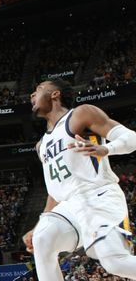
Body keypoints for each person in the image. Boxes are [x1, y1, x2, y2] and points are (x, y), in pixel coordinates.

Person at [22, 79, 136, 280]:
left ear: (55, 94)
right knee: (43, 237)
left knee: (114, 262)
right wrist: (39, 224)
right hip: (70, 206)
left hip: (98, 197)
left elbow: (131, 138)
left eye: (37, 89)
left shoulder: (80, 114)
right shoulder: (41, 145)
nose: (32, 95)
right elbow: (55, 190)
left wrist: (107, 149)